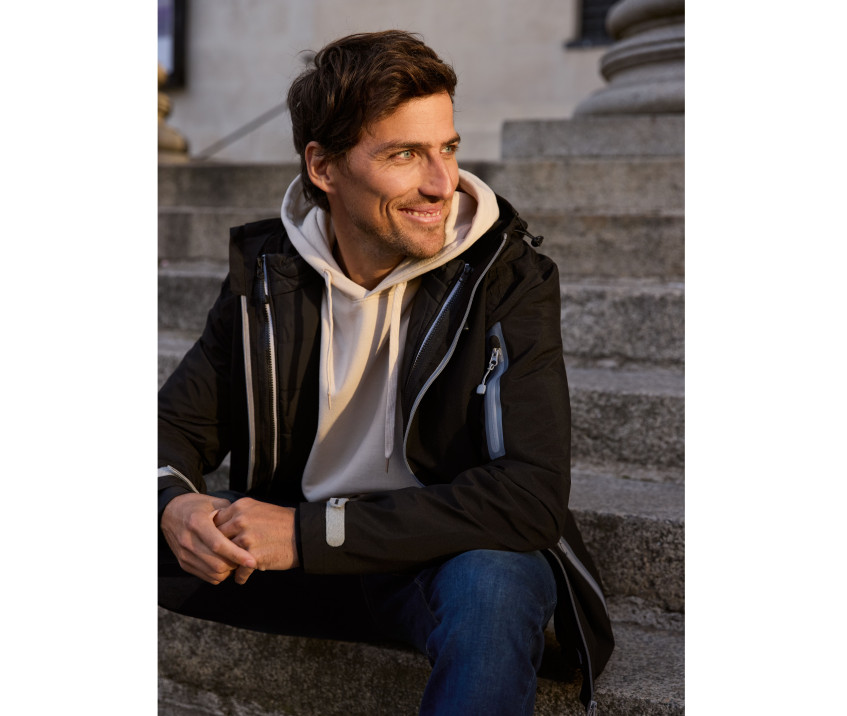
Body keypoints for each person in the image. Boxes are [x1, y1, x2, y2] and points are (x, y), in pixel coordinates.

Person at [158, 30, 613, 716]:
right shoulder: (269, 276)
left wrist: (309, 535)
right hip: (292, 564)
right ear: (323, 166)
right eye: (404, 154)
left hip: (437, 562)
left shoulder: (506, 278)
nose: (441, 182)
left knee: (496, 583)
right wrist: (174, 504)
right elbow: (172, 429)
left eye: (447, 148)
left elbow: (528, 495)